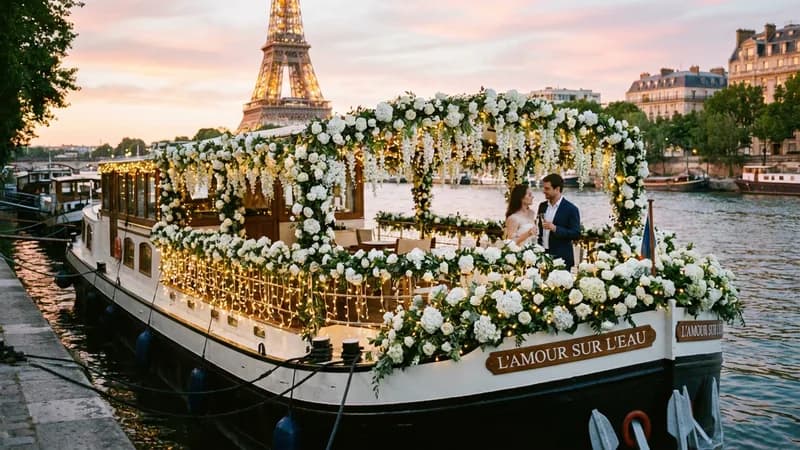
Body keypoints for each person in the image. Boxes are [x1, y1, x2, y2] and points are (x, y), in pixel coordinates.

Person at [537, 173, 581, 269]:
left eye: (547, 188)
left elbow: (576, 233)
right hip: (542, 256)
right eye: (544, 188)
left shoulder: (571, 209)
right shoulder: (542, 206)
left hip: (562, 257)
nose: (544, 191)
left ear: (557, 189)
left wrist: (555, 228)